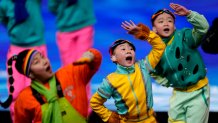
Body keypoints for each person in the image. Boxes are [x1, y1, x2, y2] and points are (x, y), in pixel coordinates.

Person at [125, 3, 210, 123]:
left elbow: (203, 27)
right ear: (154, 29)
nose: (166, 23)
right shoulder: (157, 52)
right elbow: (151, 70)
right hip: (178, 93)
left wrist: (189, 14)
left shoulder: (184, 36)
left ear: (174, 26)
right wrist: (165, 81)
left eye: (170, 21)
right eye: (161, 21)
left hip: (198, 91)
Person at [90, 20, 166, 123]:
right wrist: (108, 116)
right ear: (113, 58)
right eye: (123, 49)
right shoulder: (110, 81)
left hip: (149, 120)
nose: (128, 50)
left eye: (131, 49)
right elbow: (95, 102)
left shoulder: (144, 67)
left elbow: (160, 46)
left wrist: (145, 33)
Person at [0, 48, 102, 123]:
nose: (44, 62)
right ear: (30, 74)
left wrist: (90, 54)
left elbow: (95, 60)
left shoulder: (70, 73)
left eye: (42, 57)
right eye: (37, 62)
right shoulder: (25, 98)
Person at [0, 0, 47, 121]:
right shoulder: (5, 3)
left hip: (36, 47)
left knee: (38, 92)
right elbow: (3, 19)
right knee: (16, 92)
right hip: (16, 48)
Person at [48, 0, 96, 114]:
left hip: (84, 25)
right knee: (69, 70)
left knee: (83, 67)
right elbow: (52, 6)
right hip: (65, 28)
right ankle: (71, 105)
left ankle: (85, 108)